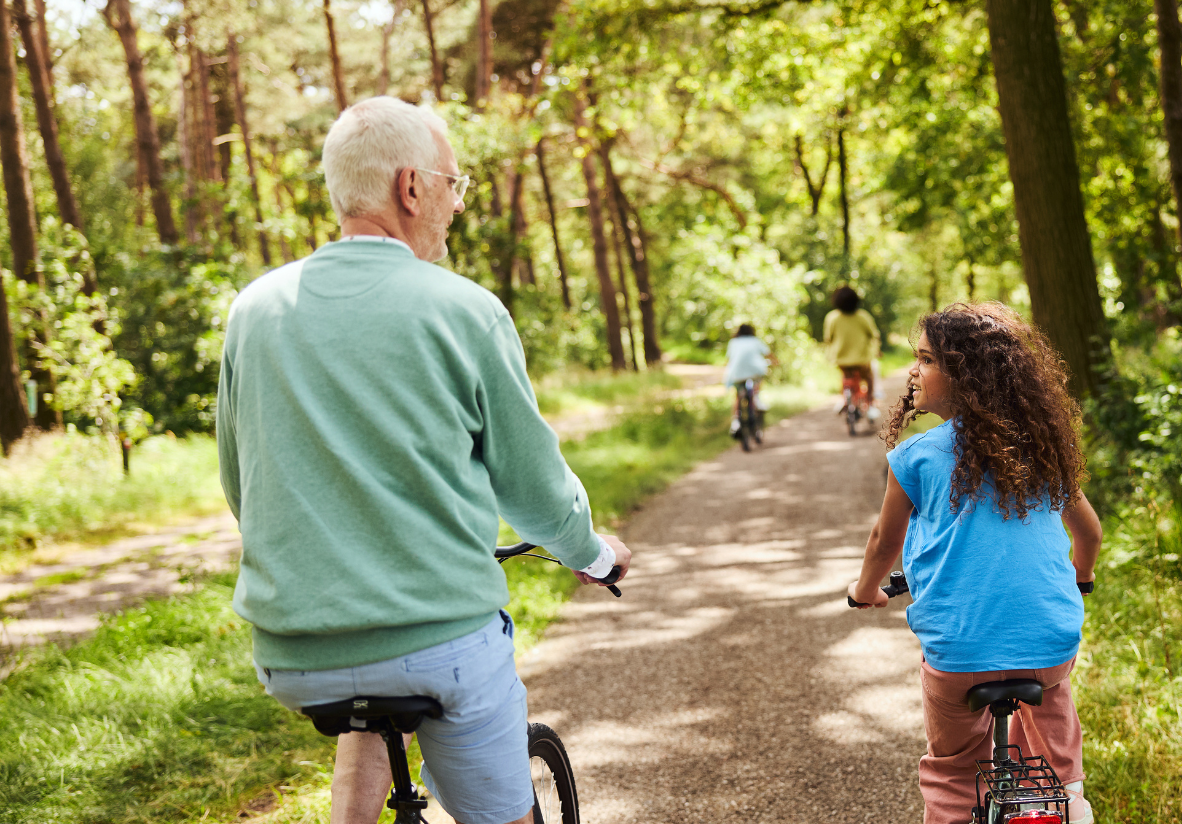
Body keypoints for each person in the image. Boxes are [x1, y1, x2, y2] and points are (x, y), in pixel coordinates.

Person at [216, 96, 631, 824]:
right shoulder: (465, 310)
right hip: (439, 646)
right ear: (411, 187)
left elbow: (240, 483)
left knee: (369, 691)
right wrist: (592, 555)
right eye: (452, 183)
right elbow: (533, 488)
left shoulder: (253, 311)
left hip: (292, 654)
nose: (457, 203)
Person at [847, 302, 1102, 824]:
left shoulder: (916, 456)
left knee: (955, 768)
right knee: (1052, 722)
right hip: (1048, 644)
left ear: (966, 377)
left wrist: (866, 589)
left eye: (926, 360)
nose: (913, 371)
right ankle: (1068, 796)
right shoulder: (1041, 450)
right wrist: (1081, 577)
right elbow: (1089, 533)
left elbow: (882, 542)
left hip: (959, 652)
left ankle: (953, 808)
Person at [822, 285, 881, 420]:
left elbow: (828, 338)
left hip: (841, 359)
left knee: (845, 377)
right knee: (868, 377)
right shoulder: (863, 316)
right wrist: (877, 350)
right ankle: (870, 404)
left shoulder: (832, 317)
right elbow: (874, 335)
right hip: (862, 360)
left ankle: (844, 399)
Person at [723, 323, 772, 435]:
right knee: (758, 380)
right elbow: (768, 354)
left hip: (737, 372)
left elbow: (729, 358)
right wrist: (775, 362)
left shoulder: (733, 342)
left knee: (737, 396)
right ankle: (757, 399)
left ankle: (735, 422)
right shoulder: (756, 341)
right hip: (754, 371)